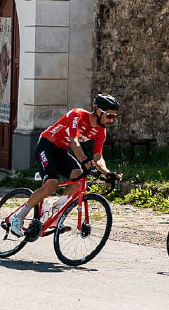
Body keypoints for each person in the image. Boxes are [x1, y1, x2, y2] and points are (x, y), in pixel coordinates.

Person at [9, 94, 122, 240]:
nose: (111, 120)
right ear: (98, 111)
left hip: (61, 152)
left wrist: (108, 173)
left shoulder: (101, 131)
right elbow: (74, 142)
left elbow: (98, 157)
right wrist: (84, 160)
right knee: (52, 184)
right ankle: (17, 218)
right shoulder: (78, 115)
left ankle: (55, 213)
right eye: (109, 116)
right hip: (46, 146)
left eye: (114, 117)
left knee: (79, 177)